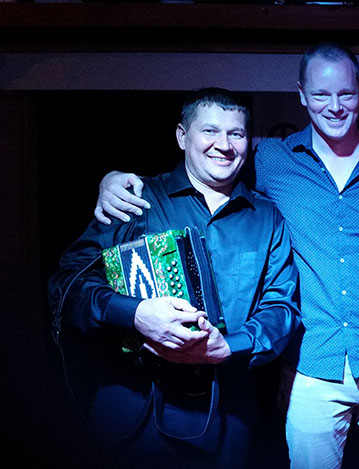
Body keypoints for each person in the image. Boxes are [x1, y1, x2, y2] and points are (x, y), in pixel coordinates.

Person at [92, 43, 359, 468]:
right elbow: (206, 177)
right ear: (302, 95)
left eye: (345, 93)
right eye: (321, 94)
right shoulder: (269, 159)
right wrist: (114, 179)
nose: (334, 105)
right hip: (311, 366)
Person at [48, 88, 301, 468]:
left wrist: (228, 346)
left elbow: (282, 308)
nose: (224, 145)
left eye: (236, 134)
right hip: (133, 413)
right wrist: (134, 314)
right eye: (210, 131)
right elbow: (67, 285)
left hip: (226, 421)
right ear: (183, 136)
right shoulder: (135, 199)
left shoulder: (267, 217)